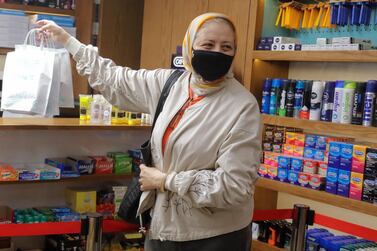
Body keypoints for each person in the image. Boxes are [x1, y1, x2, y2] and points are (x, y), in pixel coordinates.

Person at [37, 12, 261, 251]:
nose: (217, 52)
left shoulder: (243, 106)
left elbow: (235, 186)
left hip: (216, 237)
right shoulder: (171, 84)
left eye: (226, 47)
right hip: (162, 229)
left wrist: (165, 180)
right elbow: (115, 80)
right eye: (208, 44)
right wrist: (67, 40)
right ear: (189, 47)